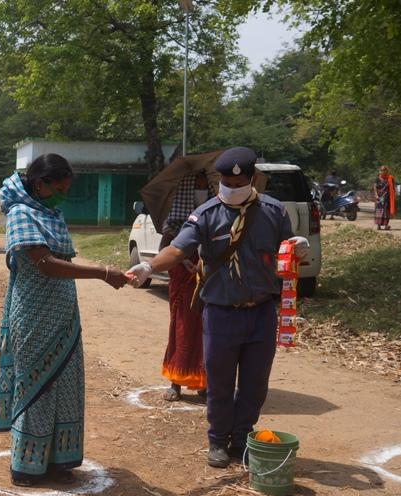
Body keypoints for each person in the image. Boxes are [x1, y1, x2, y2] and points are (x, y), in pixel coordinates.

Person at [128, 147, 310, 468]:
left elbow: (288, 251)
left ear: (252, 179)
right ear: (220, 180)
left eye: (239, 183)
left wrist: (297, 248)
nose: (232, 187)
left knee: (255, 383)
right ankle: (217, 440)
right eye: (227, 181)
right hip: (221, 312)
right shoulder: (206, 215)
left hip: (261, 312)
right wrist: (149, 266)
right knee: (220, 381)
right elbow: (177, 248)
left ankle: (242, 438)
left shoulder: (273, 211)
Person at [0, 154, 129, 487]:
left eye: (66, 189)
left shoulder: (51, 211)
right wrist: (101, 272)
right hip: (34, 314)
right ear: (39, 184)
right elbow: (46, 263)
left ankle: (56, 460)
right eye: (59, 188)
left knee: (64, 383)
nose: (63, 194)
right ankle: (27, 466)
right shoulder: (21, 214)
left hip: (64, 313)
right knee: (37, 385)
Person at [160, 171, 209, 402]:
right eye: (196, 183)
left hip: (209, 281)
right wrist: (186, 261)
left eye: (204, 183)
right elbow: (166, 251)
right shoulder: (173, 223)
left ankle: (204, 383)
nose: (201, 186)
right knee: (181, 329)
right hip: (184, 281)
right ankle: (176, 381)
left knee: (207, 332)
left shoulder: (217, 216)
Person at [373, 165, 396, 230]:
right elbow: (375, 187)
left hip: (387, 197)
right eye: (381, 170)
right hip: (379, 198)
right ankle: (378, 225)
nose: (382, 172)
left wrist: (392, 195)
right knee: (379, 211)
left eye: (384, 170)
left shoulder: (390, 178)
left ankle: (386, 225)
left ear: (386, 171)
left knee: (386, 211)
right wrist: (376, 195)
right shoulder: (377, 179)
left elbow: (393, 188)